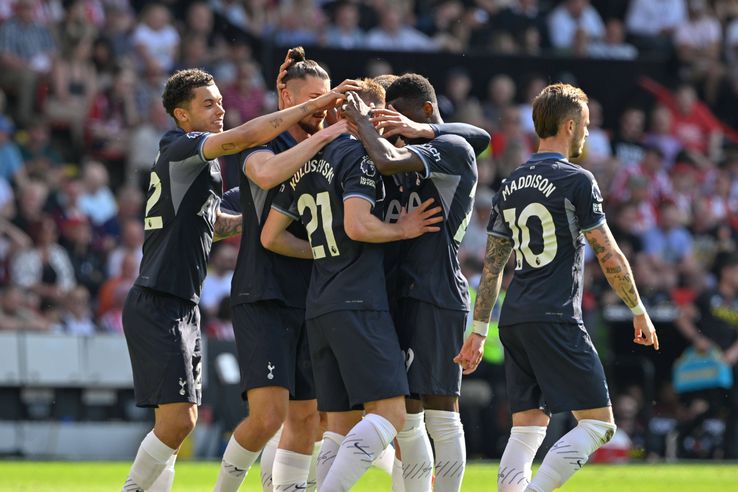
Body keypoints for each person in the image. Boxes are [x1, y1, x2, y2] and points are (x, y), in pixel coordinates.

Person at [121, 67, 353, 492]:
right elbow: (242, 139)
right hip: (159, 296)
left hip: (181, 302)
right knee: (179, 421)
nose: (220, 109)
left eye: (220, 101)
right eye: (207, 104)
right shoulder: (181, 147)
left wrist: (262, 218)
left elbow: (218, 223)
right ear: (182, 116)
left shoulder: (200, 172)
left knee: (177, 425)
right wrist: (317, 107)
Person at [455, 83, 659, 492]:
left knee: (528, 425)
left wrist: (478, 331)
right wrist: (638, 307)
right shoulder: (577, 180)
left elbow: (494, 268)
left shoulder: (510, 184)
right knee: (599, 423)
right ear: (569, 125)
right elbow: (609, 254)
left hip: (513, 318)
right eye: (584, 124)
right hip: (556, 315)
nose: (585, 133)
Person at [260, 82, 443, 492]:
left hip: (319, 303)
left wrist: (327, 254)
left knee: (339, 426)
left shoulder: (308, 161)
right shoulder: (358, 155)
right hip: (359, 300)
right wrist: (401, 229)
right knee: (392, 414)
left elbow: (272, 236)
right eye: (378, 115)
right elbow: (357, 224)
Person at [212, 48, 358, 492]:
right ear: (287, 98)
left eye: (327, 98)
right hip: (264, 294)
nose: (323, 106)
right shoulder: (264, 143)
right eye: (313, 98)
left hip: (311, 297)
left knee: (307, 417)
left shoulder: (336, 150)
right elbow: (268, 174)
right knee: (267, 416)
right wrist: (326, 130)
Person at [342, 73, 489, 492]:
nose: (395, 131)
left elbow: (390, 158)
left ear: (425, 111)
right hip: (399, 294)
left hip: (436, 293)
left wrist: (367, 124)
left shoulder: (451, 148)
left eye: (400, 120)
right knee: (404, 417)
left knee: (442, 413)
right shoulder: (423, 145)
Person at [675, 253, 738, 459]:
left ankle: (730, 454)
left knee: (732, 407)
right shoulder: (708, 296)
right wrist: (697, 339)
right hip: (708, 363)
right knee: (710, 407)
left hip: (730, 362)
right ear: (727, 271)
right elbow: (682, 317)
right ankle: (681, 441)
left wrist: (733, 353)